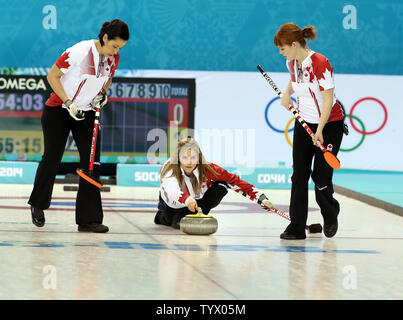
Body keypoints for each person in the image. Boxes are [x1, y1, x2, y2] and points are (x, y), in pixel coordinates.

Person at [28, 19, 130, 233]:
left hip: (87, 111)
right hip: (59, 108)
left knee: (92, 163)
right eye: (114, 46)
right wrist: (68, 103)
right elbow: (52, 76)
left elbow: (107, 79)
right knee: (52, 157)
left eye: (120, 48)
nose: (116, 51)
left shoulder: (114, 58)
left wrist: (102, 95)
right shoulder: (79, 51)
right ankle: (38, 203)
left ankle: (89, 219)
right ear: (105, 38)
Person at [273, 23, 344, 240]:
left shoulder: (320, 63)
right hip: (303, 123)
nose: (281, 52)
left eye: (283, 48)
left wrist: (320, 130)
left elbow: (328, 99)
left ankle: (330, 212)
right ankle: (296, 226)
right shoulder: (291, 63)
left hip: (329, 124)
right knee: (299, 175)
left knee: (320, 176)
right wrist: (287, 94)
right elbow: (295, 82)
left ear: (294, 44)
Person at [154, 137, 275, 229]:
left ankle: (190, 214)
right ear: (178, 158)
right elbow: (172, 191)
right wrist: (187, 200)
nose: (189, 162)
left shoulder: (208, 169)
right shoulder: (170, 169)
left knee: (222, 186)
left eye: (193, 158)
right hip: (173, 203)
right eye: (185, 158)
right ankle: (163, 214)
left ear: (199, 158)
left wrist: (261, 198)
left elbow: (234, 181)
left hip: (197, 201)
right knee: (170, 222)